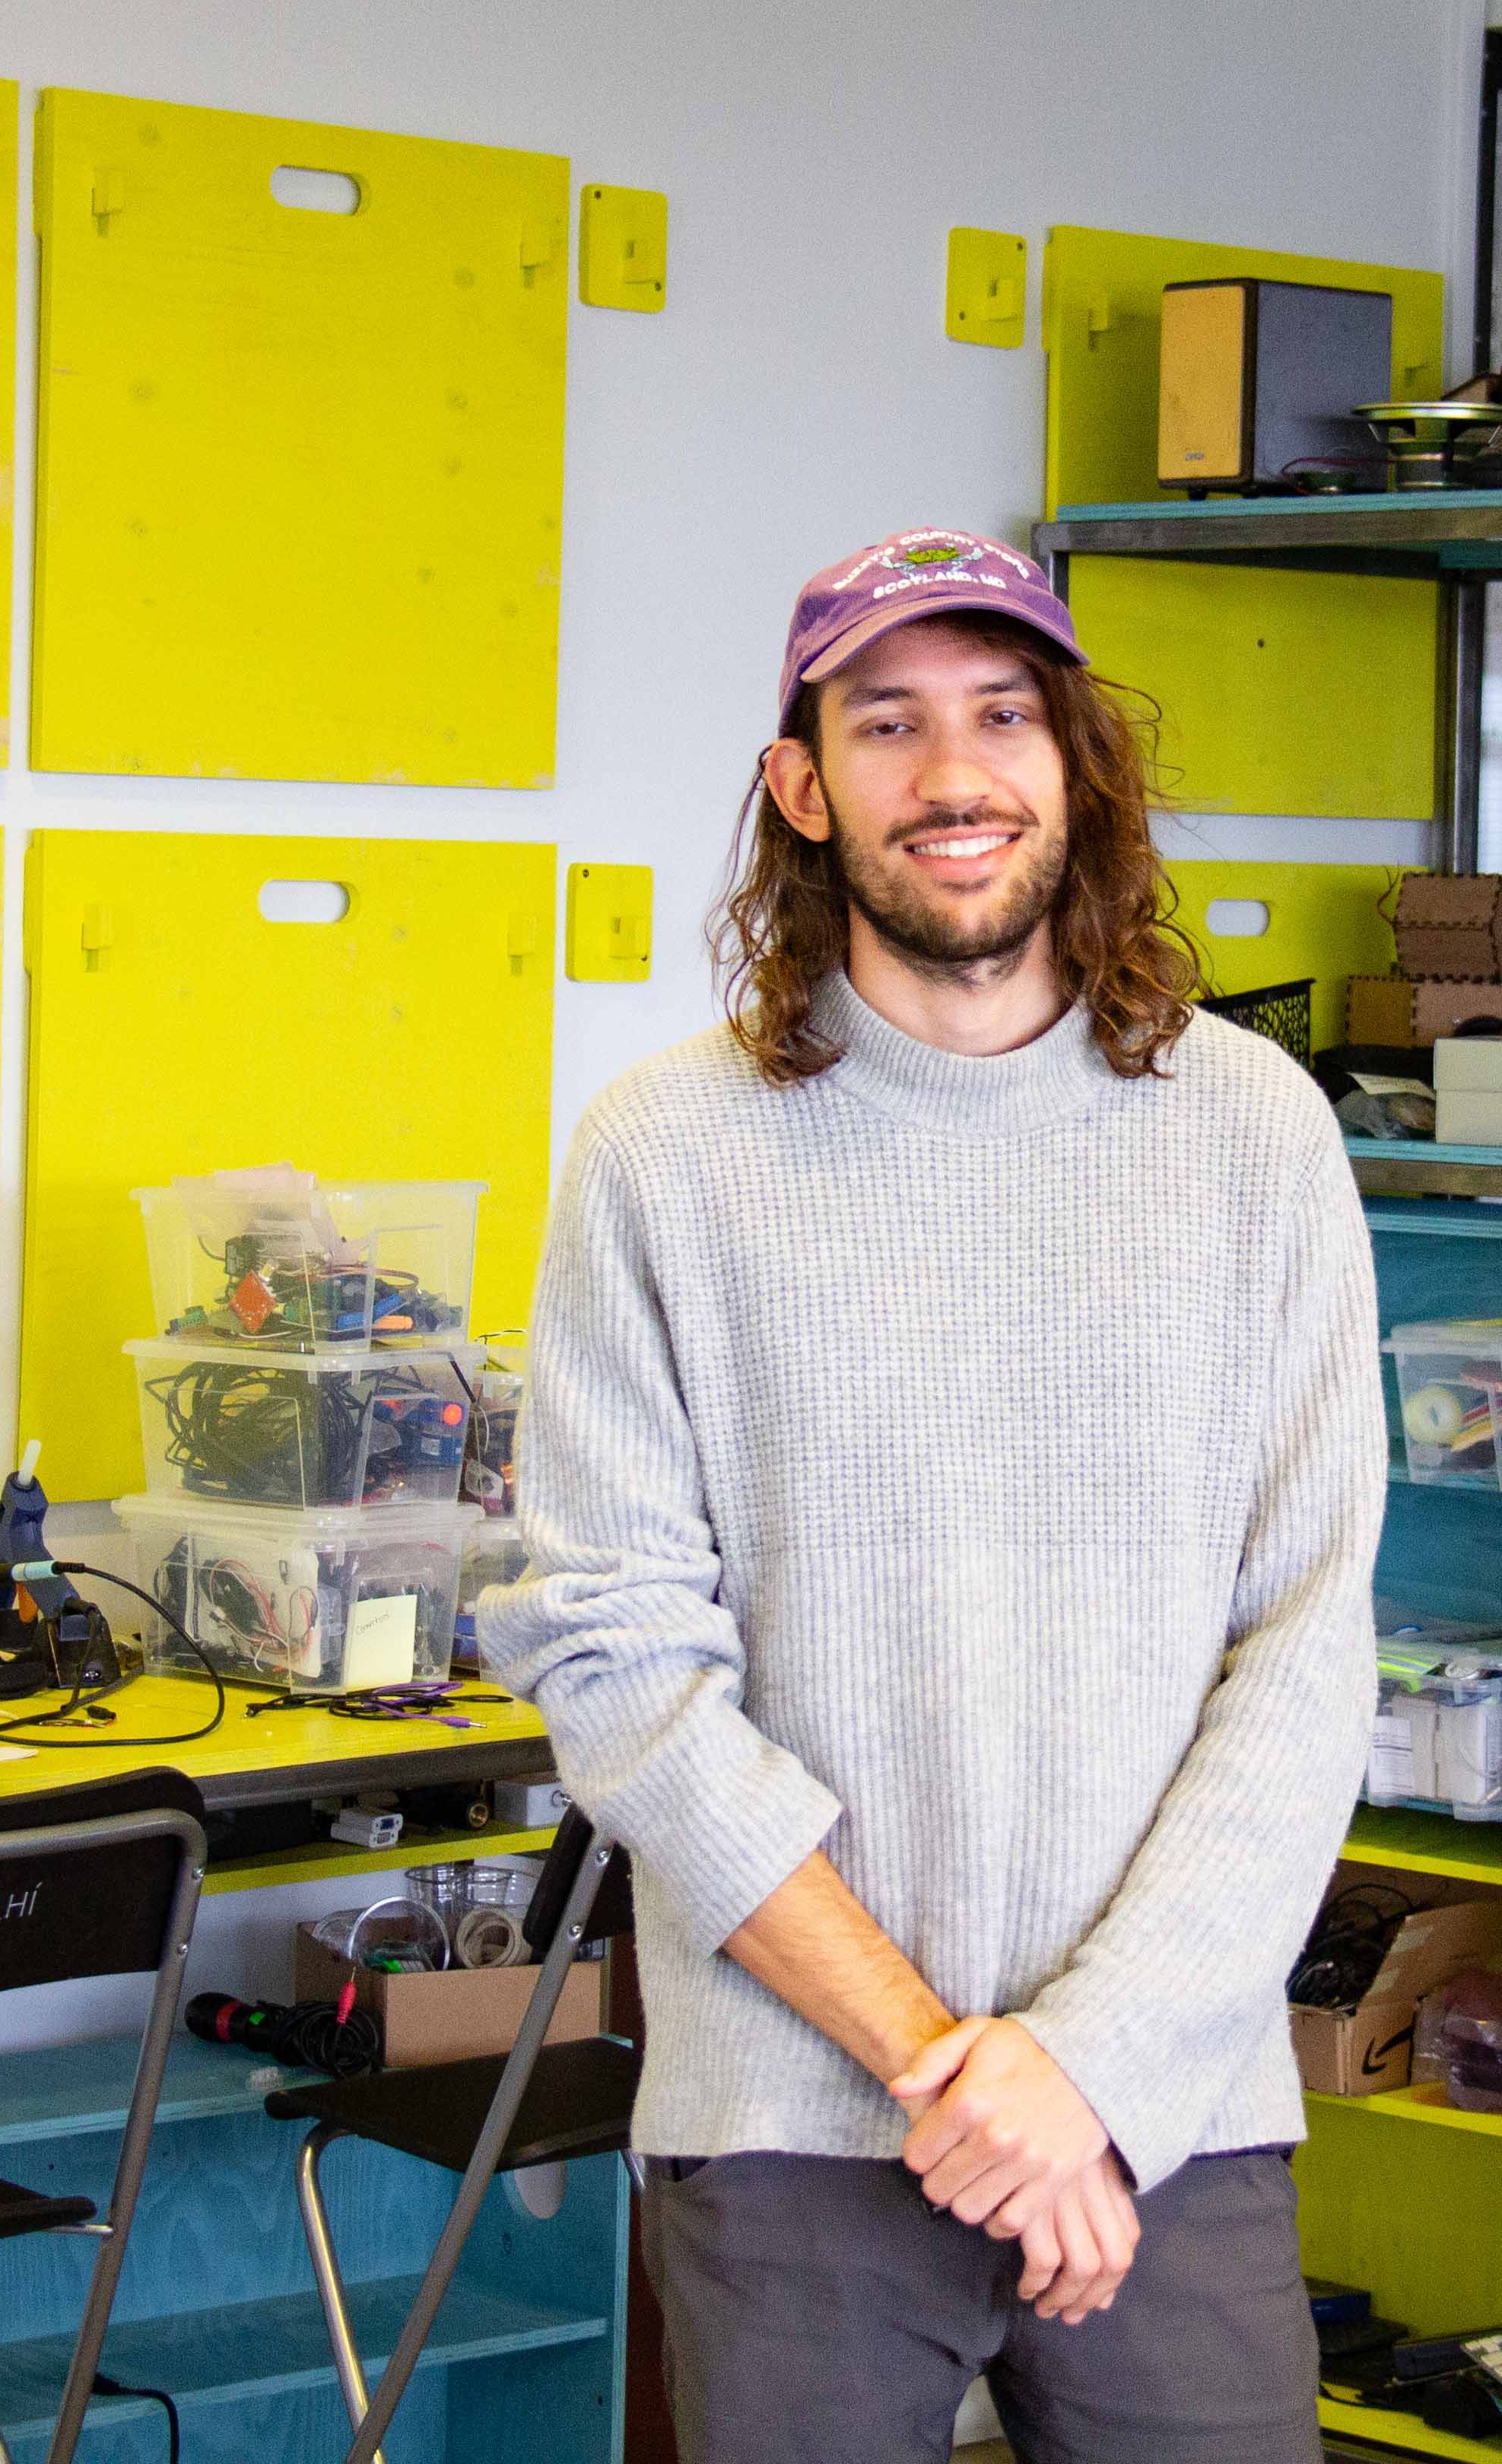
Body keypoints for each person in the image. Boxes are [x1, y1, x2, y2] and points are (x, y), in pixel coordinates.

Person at [478, 526, 1382, 2462]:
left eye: (999, 716)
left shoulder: (1254, 1136)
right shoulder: (666, 1156)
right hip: (794, 2132)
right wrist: (943, 2066)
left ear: (1076, 763)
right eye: (885, 723)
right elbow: (622, 1667)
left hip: (1171, 2126)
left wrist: (1086, 2068)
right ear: (805, 787)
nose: (950, 775)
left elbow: (1306, 1656)